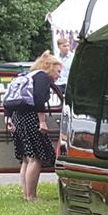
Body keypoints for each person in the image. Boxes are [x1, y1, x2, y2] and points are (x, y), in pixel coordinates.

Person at [5, 51, 64, 202]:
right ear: (49, 67)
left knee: (26, 158)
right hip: (31, 118)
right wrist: (42, 121)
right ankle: (31, 196)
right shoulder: (42, 77)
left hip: (18, 117)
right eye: (58, 71)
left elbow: (9, 99)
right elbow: (38, 100)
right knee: (35, 158)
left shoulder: (27, 75)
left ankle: (26, 194)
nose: (59, 75)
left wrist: (8, 118)